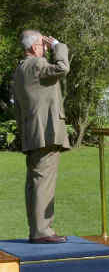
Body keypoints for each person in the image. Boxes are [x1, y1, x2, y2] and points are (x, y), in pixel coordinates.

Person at [12, 30, 70, 243]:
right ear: (35, 47)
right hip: (46, 134)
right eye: (43, 45)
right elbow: (63, 67)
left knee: (35, 182)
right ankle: (42, 231)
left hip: (32, 133)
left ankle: (37, 229)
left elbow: (17, 108)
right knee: (43, 181)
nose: (45, 49)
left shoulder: (19, 70)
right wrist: (58, 45)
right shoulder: (37, 65)